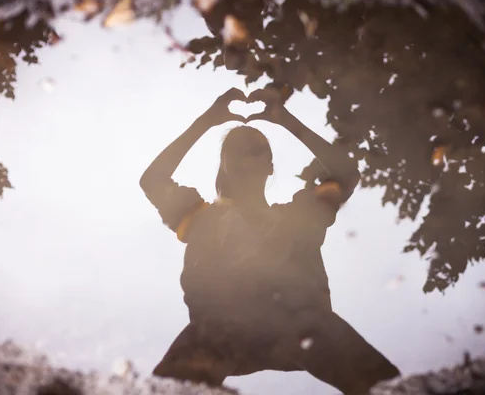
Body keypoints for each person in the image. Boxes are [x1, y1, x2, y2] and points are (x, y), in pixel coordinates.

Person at [139, 87, 400, 394]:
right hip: (220, 331)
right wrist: (206, 121)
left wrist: (286, 120)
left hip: (297, 327)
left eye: (257, 148)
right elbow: (152, 180)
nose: (248, 152)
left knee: (384, 383)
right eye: (237, 149)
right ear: (223, 165)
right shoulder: (199, 219)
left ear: (270, 166)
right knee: (172, 381)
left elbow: (345, 174)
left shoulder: (299, 218)